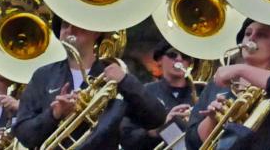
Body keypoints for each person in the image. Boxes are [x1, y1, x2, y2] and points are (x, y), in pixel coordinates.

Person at [12, 21, 167, 150]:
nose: (70, 30)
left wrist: (125, 81)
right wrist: (54, 113)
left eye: (78, 25)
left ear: (96, 31)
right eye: (65, 26)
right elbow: (24, 134)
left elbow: (156, 118)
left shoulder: (113, 75)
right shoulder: (43, 75)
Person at [184, 20, 270, 150]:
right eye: (248, 33)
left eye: (262, 35)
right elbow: (192, 142)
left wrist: (242, 70)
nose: (251, 38)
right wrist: (213, 119)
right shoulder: (218, 84)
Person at [122, 42, 201, 150]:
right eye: (172, 54)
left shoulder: (201, 92)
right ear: (159, 60)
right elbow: (127, 137)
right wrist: (158, 129)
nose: (179, 59)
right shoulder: (144, 92)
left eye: (185, 56)